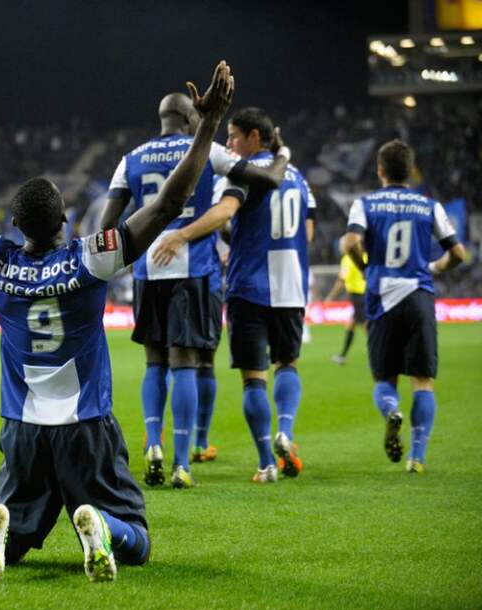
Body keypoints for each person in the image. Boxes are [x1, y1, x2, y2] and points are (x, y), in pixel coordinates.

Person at [0, 59, 234, 581]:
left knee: (20, 534)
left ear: (14, 224)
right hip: (85, 426)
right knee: (137, 537)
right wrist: (210, 125)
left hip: (22, 432)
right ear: (64, 220)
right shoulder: (91, 256)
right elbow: (171, 202)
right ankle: (102, 524)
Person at [101, 93, 290, 488]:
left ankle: (154, 443)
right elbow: (269, 179)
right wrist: (283, 152)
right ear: (191, 117)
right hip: (194, 269)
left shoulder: (130, 159)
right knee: (185, 361)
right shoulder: (206, 150)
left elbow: (107, 225)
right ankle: (181, 462)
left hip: (149, 271)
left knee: (155, 363)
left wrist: (132, 256)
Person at [156, 107, 315, 483]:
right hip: (291, 284)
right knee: (288, 364)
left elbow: (223, 212)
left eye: (233, 136)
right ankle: (287, 432)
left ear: (254, 138)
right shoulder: (299, 179)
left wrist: (182, 234)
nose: (228, 144)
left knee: (253, 378)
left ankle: (265, 463)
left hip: (249, 285)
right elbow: (306, 235)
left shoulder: (244, 174)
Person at [342, 139, 465, 474]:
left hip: (382, 297)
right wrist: (434, 268)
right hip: (418, 295)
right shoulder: (430, 206)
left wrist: (366, 266)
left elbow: (350, 241)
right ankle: (418, 457)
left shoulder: (364, 203)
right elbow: (458, 254)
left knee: (385, 377)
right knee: (423, 381)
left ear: (380, 169)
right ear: (411, 172)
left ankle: (391, 409)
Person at [325, 239, 367, 365]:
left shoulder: (347, 259)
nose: (340, 248)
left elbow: (341, 281)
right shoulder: (365, 255)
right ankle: (343, 355)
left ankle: (379, 356)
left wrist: (330, 297)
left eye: (341, 245)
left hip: (358, 296)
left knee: (367, 328)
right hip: (367, 294)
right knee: (351, 324)